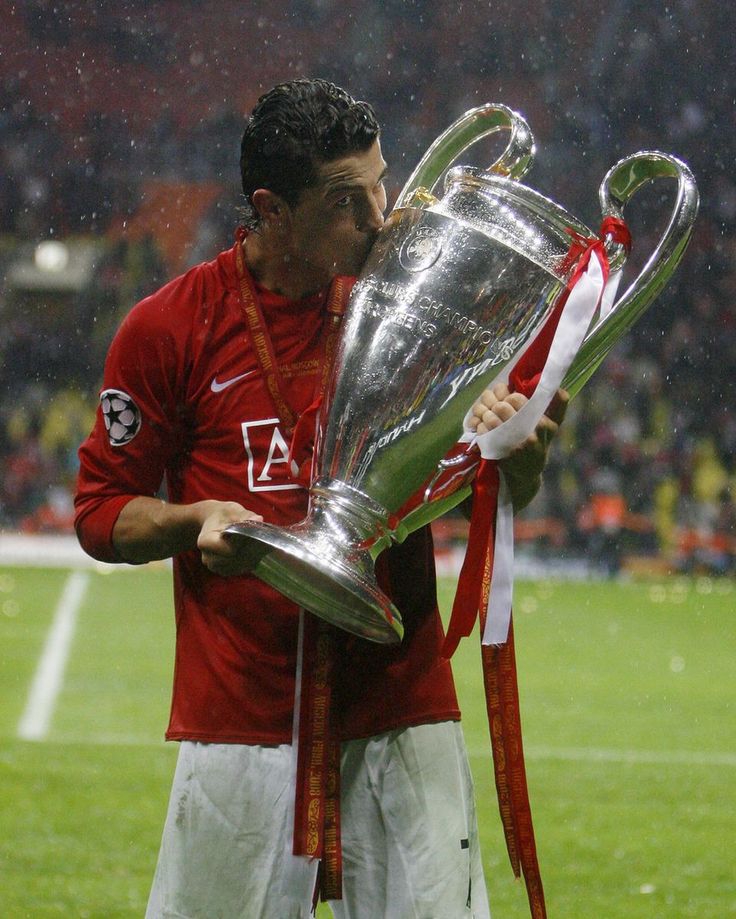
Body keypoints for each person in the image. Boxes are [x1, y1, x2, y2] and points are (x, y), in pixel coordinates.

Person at [75, 79, 565, 919]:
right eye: (346, 200)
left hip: (398, 697)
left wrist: (515, 458)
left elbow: (471, 487)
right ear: (272, 209)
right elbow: (99, 510)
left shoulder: (422, 313)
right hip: (245, 711)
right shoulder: (171, 328)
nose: (381, 217)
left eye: (382, 182)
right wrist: (193, 521)